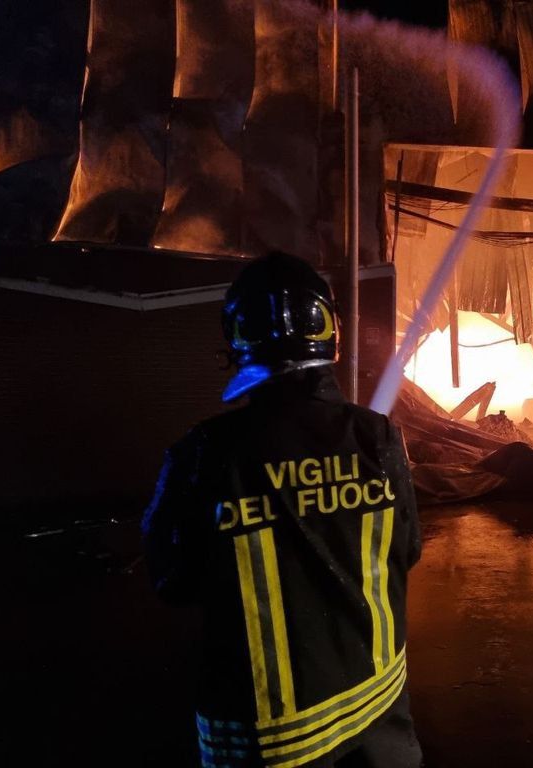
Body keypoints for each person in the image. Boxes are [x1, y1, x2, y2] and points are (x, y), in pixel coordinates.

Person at [142, 251, 423, 768]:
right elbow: (408, 551)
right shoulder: (379, 437)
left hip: (272, 736)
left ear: (237, 341)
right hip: (380, 705)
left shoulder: (204, 454)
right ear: (332, 332)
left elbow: (172, 581)